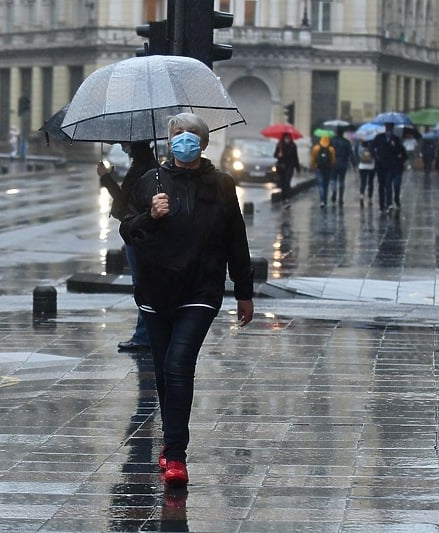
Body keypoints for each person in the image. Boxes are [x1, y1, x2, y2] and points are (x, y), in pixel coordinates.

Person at [119, 112, 254, 487]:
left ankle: (176, 453)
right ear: (168, 142)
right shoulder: (151, 182)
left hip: (200, 290)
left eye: (191, 134)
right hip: (156, 291)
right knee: (164, 370)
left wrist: (244, 291)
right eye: (178, 134)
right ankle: (171, 439)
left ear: (203, 142)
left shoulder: (221, 185)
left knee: (179, 364)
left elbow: (236, 240)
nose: (184, 140)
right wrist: (150, 214)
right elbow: (127, 231)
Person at [97, 141, 158, 353]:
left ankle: (144, 336)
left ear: (135, 147)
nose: (124, 148)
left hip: (137, 233)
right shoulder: (152, 168)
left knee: (142, 285)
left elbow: (123, 203)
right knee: (147, 284)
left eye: (126, 145)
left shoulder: (140, 171)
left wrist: (105, 177)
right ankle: (150, 333)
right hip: (145, 232)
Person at [370, 121, 407, 212]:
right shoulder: (379, 137)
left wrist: (394, 147)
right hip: (380, 165)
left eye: (390, 128)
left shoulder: (396, 139)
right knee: (381, 185)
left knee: (388, 184)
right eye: (387, 128)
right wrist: (375, 155)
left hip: (391, 165)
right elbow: (371, 147)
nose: (388, 130)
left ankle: (389, 203)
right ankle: (382, 205)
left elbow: (400, 151)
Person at [330, 127, 357, 205]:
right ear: (342, 133)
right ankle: (341, 198)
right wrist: (354, 165)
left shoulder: (332, 141)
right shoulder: (347, 142)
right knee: (341, 180)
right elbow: (351, 154)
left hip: (333, 163)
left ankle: (334, 191)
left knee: (333, 179)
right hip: (343, 163)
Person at [273, 132, 301, 208]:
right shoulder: (279, 145)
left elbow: (295, 157)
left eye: (288, 138)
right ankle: (283, 197)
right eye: (286, 138)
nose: (287, 139)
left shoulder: (293, 145)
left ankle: (287, 198)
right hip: (281, 166)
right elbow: (275, 154)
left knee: (287, 181)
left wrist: (298, 168)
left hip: (290, 166)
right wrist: (279, 155)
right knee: (282, 183)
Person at [310, 134, 336, 208]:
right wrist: (331, 166)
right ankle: (325, 200)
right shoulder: (331, 149)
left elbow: (313, 159)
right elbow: (333, 160)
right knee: (326, 185)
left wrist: (313, 166)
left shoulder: (316, 148)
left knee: (320, 184)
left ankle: (322, 201)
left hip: (319, 168)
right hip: (328, 169)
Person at [356, 139, 375, 205]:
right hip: (371, 166)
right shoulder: (372, 146)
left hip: (362, 166)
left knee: (363, 182)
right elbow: (374, 155)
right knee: (370, 182)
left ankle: (362, 195)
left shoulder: (360, 146)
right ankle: (370, 198)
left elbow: (358, 155)